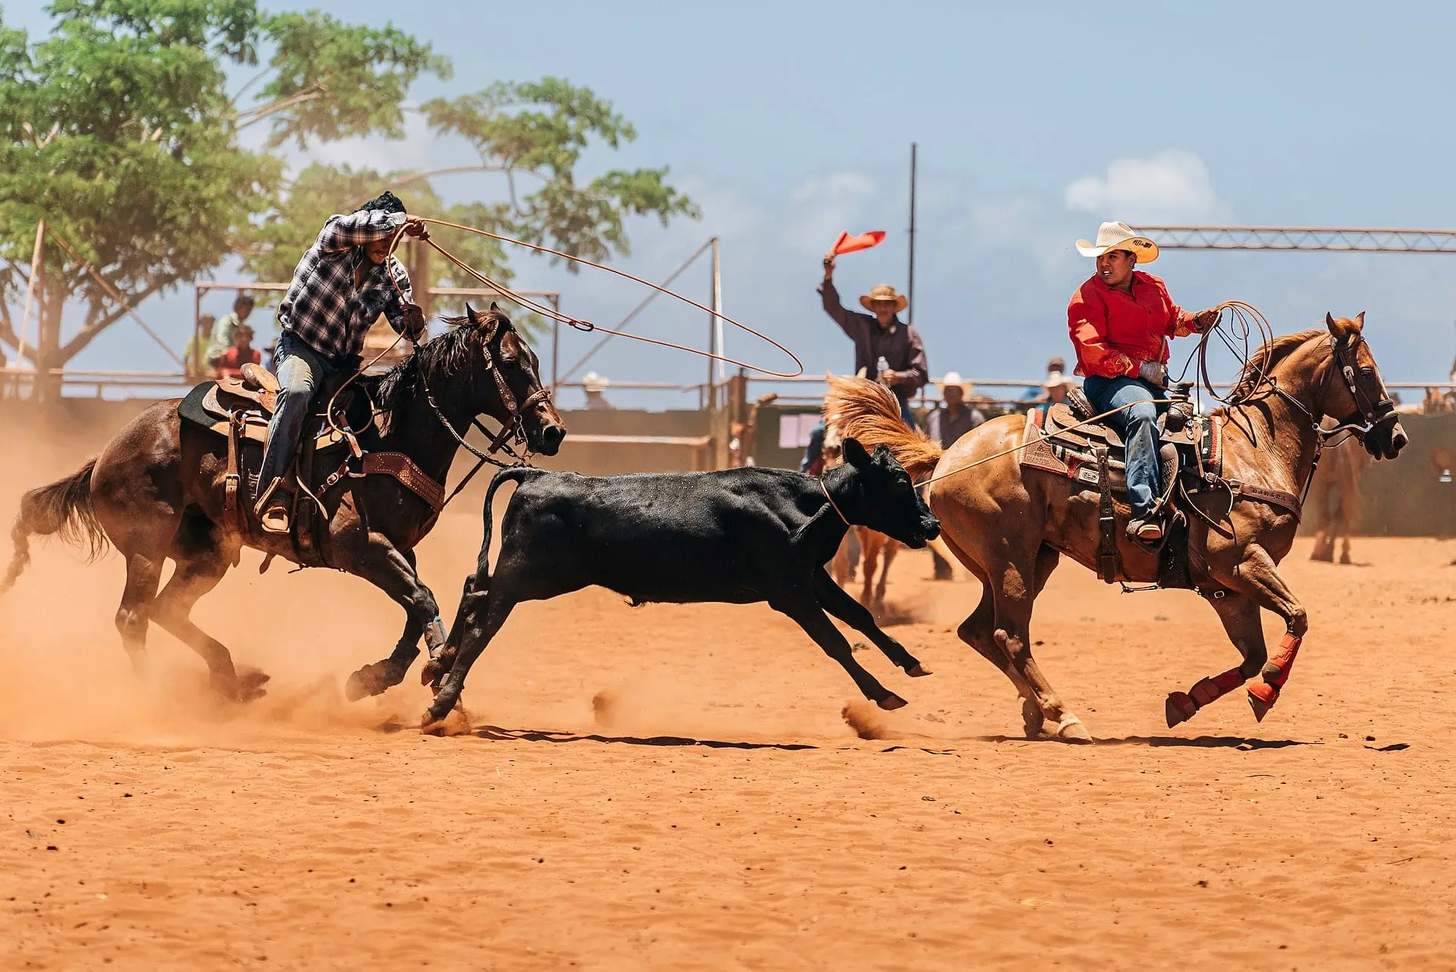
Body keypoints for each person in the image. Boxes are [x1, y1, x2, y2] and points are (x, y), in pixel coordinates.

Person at [255, 190, 429, 534]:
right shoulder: (335, 240)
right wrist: (399, 222)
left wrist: (413, 322)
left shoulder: (394, 275)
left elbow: (404, 326)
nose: (389, 243)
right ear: (369, 231)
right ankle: (272, 492)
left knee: (376, 418)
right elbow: (352, 225)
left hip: (345, 366)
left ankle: (361, 511)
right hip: (301, 348)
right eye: (384, 235)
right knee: (296, 393)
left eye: (394, 239)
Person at [1067, 221, 1220, 543]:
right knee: (1143, 414)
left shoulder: (1154, 286)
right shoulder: (1086, 296)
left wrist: (1195, 321)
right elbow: (1092, 350)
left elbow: (1171, 318)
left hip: (1152, 382)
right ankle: (1143, 510)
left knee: (1196, 429)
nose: (1104, 264)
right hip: (1109, 383)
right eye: (1101, 258)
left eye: (1112, 257)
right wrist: (1138, 368)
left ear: (1131, 260)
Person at [819, 257, 928, 429]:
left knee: (910, 435)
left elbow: (921, 373)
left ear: (894, 307)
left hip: (895, 400)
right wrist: (828, 276)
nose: (883, 308)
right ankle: (810, 458)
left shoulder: (908, 334)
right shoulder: (862, 326)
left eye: (887, 304)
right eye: (878, 304)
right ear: (873, 307)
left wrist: (898, 377)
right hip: (863, 396)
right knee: (821, 432)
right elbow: (834, 308)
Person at [927, 372, 986, 448]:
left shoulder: (975, 418)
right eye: (947, 390)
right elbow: (927, 440)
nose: (950, 393)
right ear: (944, 393)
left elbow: (980, 445)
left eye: (954, 390)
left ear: (961, 393)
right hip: (936, 457)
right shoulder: (933, 417)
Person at [205, 293, 256, 368]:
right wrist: (234, 353)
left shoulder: (241, 325)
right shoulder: (226, 321)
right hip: (217, 359)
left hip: (232, 359)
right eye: (246, 309)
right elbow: (222, 341)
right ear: (238, 308)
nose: (248, 312)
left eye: (249, 310)